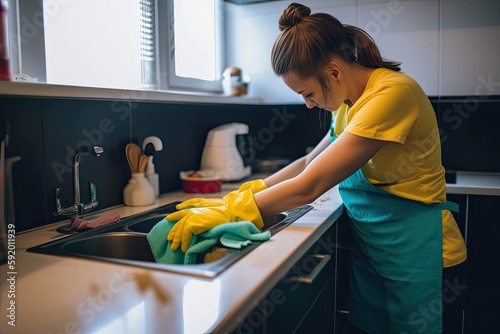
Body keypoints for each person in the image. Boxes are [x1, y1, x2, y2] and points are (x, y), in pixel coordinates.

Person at [166, 3, 467, 333]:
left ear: (335, 72)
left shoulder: (392, 94)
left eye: (308, 93)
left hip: (416, 252)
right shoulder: (348, 105)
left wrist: (236, 211)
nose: (309, 104)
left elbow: (311, 185)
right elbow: (308, 163)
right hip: (378, 249)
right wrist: (240, 195)